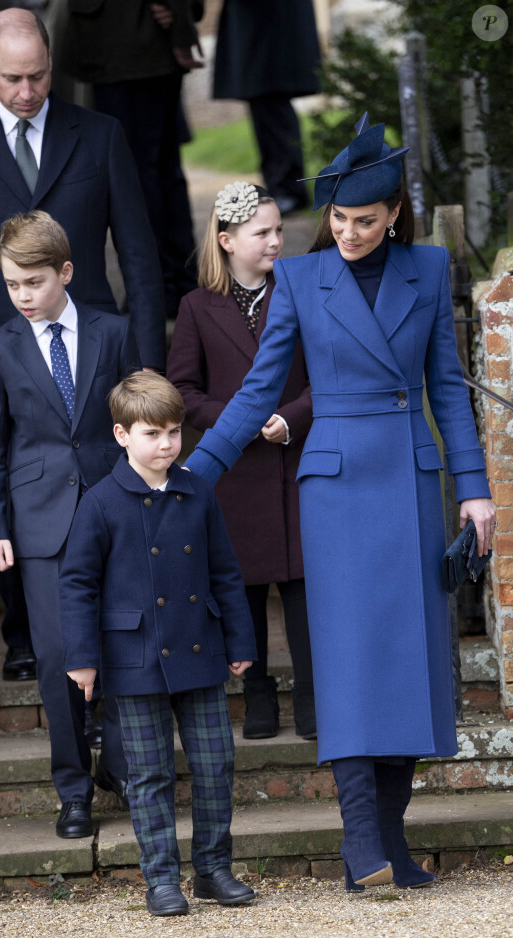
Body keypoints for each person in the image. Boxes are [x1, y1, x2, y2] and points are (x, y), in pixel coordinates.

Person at [183, 114, 496, 890]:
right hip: (334, 489)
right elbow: (260, 390)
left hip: (411, 481)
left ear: (393, 215)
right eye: (337, 218)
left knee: (410, 662)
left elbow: (448, 390)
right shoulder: (298, 278)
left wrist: (478, 492)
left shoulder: (427, 268)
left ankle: (391, 840)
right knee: (352, 662)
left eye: (364, 220)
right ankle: (361, 842)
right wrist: (193, 473)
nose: (348, 233)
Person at [0, 8, 165, 681]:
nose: (27, 91)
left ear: (51, 67)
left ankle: (100, 622)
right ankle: (25, 632)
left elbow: (140, 254)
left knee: (91, 480)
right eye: (12, 79)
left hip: (93, 353)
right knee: (8, 480)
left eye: (37, 77)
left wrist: (145, 360)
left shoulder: (100, 135)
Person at [59, 372, 257, 916]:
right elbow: (77, 583)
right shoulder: (100, 502)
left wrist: (239, 639)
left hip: (200, 648)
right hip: (133, 657)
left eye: (174, 432)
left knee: (216, 764)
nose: (167, 444)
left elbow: (225, 572)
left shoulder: (199, 493)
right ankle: (161, 880)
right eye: (153, 433)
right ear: (122, 435)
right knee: (148, 775)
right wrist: (81, 658)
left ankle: (214, 869)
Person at [0, 210, 140, 838]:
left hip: (113, 508)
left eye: (34, 283)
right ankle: (73, 789)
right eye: (13, 285)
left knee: (125, 641)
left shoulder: (113, 332)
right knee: (57, 657)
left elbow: (138, 418)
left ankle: (122, 766)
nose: (23, 296)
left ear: (66, 272)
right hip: (38, 525)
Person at [168, 181, 315, 740]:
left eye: (279, 230)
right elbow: (182, 389)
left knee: (303, 588)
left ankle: (311, 694)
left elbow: (327, 374)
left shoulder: (301, 290)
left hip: (296, 460)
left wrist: (291, 417)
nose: (277, 241)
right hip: (235, 474)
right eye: (264, 233)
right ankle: (257, 695)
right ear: (227, 240)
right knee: (242, 591)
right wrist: (239, 418)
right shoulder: (196, 307)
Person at [63, 0, 202, 319]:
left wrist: (181, 15)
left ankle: (162, 290)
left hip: (131, 46)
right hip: (127, 45)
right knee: (158, 172)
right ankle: (177, 284)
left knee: (140, 176)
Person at [213, 0, 320, 215]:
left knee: (273, 104)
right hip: (258, 25)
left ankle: (288, 189)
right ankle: (280, 188)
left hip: (269, 28)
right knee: (264, 105)